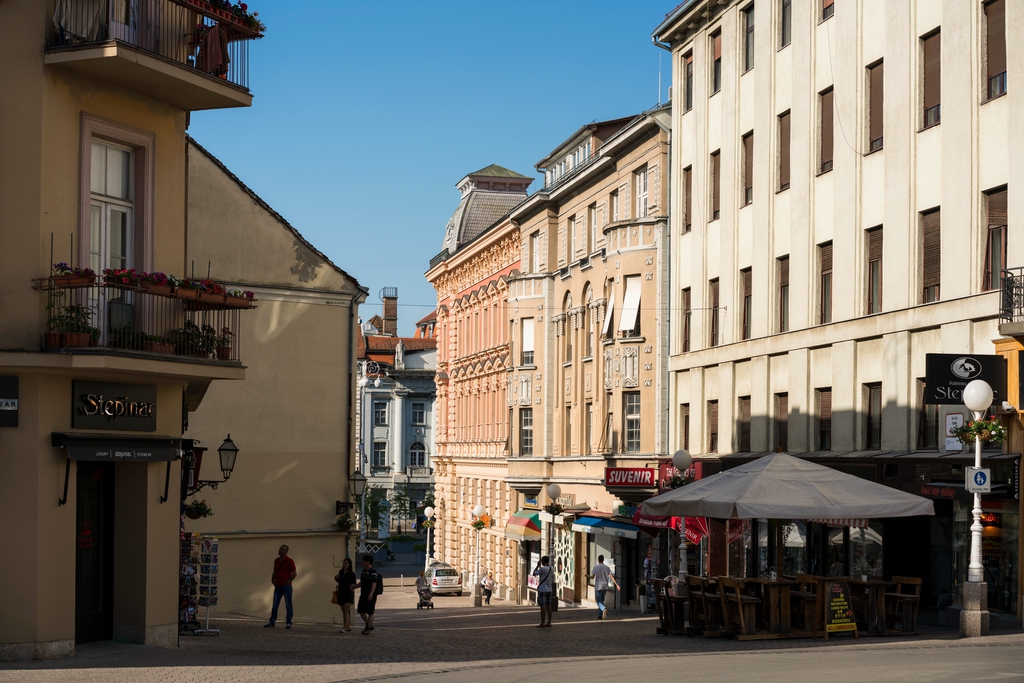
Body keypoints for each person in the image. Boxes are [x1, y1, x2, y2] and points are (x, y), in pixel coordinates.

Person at [265, 544, 297, 629]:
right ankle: (272, 621)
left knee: (288, 604)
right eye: (280, 549)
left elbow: (294, 573)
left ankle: (289, 622)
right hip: (278, 585)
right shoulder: (276, 560)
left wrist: (288, 581)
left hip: (286, 586)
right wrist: (272, 579)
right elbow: (275, 571)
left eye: (282, 549)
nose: (280, 550)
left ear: (286, 552)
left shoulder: (290, 561)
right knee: (275, 604)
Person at [354, 554, 380, 635]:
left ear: (368, 562)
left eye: (364, 561)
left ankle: (368, 628)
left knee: (370, 612)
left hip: (370, 595)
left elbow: (374, 584)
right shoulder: (363, 571)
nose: (362, 563)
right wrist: (355, 586)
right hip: (363, 594)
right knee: (361, 611)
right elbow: (362, 582)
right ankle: (369, 624)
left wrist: (371, 594)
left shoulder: (373, 572)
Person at [587, 555, 620, 620]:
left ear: (598, 560)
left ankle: (603, 609)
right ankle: (600, 616)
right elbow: (611, 577)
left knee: (598, 602)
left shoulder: (596, 567)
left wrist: (587, 576)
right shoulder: (607, 568)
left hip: (598, 586)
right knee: (602, 601)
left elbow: (592, 577)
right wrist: (616, 584)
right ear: (603, 560)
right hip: (605, 586)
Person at [335, 558, 357, 633]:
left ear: (349, 565)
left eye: (346, 563)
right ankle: (348, 626)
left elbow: (354, 583)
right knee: (344, 611)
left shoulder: (352, 574)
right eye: (344, 563)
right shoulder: (341, 572)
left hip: (348, 594)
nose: (344, 565)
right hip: (341, 593)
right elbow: (339, 580)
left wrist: (353, 586)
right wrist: (336, 578)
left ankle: (345, 627)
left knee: (346, 610)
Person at [533, 556, 554, 627]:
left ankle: (542, 622)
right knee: (549, 605)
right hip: (549, 589)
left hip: (542, 589)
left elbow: (534, 573)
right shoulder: (552, 568)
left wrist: (537, 566)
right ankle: (549, 622)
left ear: (543, 561)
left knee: (543, 606)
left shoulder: (542, 569)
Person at [643, 545, 659, 614]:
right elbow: (645, 566)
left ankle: (653, 606)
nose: (650, 554)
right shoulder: (646, 560)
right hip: (649, 579)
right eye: (649, 552)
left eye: (651, 552)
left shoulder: (656, 560)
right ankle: (650, 606)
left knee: (653, 592)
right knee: (649, 592)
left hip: (653, 579)